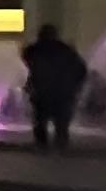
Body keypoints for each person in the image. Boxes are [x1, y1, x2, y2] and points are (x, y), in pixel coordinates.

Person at [20, 23, 89, 151]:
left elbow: (25, 69)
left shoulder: (33, 50)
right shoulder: (66, 50)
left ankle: (42, 146)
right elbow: (81, 70)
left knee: (40, 121)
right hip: (63, 93)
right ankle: (60, 146)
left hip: (41, 93)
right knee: (61, 123)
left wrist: (29, 86)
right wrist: (74, 87)